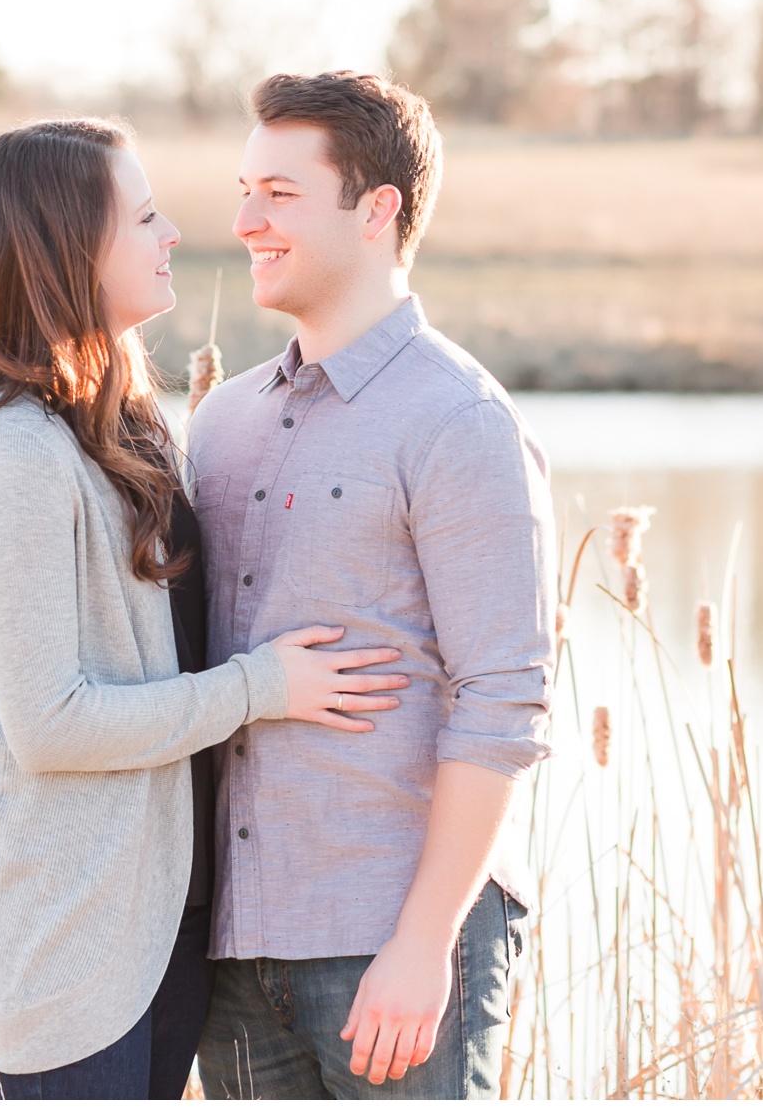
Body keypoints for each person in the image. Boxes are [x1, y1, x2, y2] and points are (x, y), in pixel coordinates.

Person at [0, 117, 409, 1100]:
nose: (173, 232)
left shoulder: (117, 426)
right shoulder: (10, 454)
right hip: (71, 930)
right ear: (61, 251)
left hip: (161, 913)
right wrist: (264, 688)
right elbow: (51, 726)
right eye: (141, 217)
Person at [189, 72, 557, 1099]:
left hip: (388, 942)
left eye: (279, 193)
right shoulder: (222, 421)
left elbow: (504, 701)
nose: (245, 220)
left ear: (378, 207)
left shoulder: (459, 421)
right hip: (236, 944)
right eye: (244, 189)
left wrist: (422, 941)